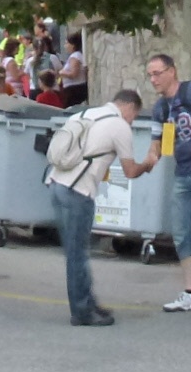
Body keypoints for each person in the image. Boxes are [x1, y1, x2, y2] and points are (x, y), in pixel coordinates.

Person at [45, 89, 143, 326]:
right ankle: (82, 311)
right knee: (78, 254)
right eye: (135, 115)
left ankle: (88, 302)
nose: (133, 121)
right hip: (78, 191)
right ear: (130, 107)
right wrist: (149, 163)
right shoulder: (119, 126)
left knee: (75, 252)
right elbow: (130, 171)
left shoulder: (84, 114)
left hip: (56, 183)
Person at [140, 54, 191, 316]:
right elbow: (157, 143)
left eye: (157, 73)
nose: (153, 79)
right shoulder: (160, 108)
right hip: (182, 172)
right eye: (150, 75)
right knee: (182, 231)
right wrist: (148, 160)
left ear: (172, 71)